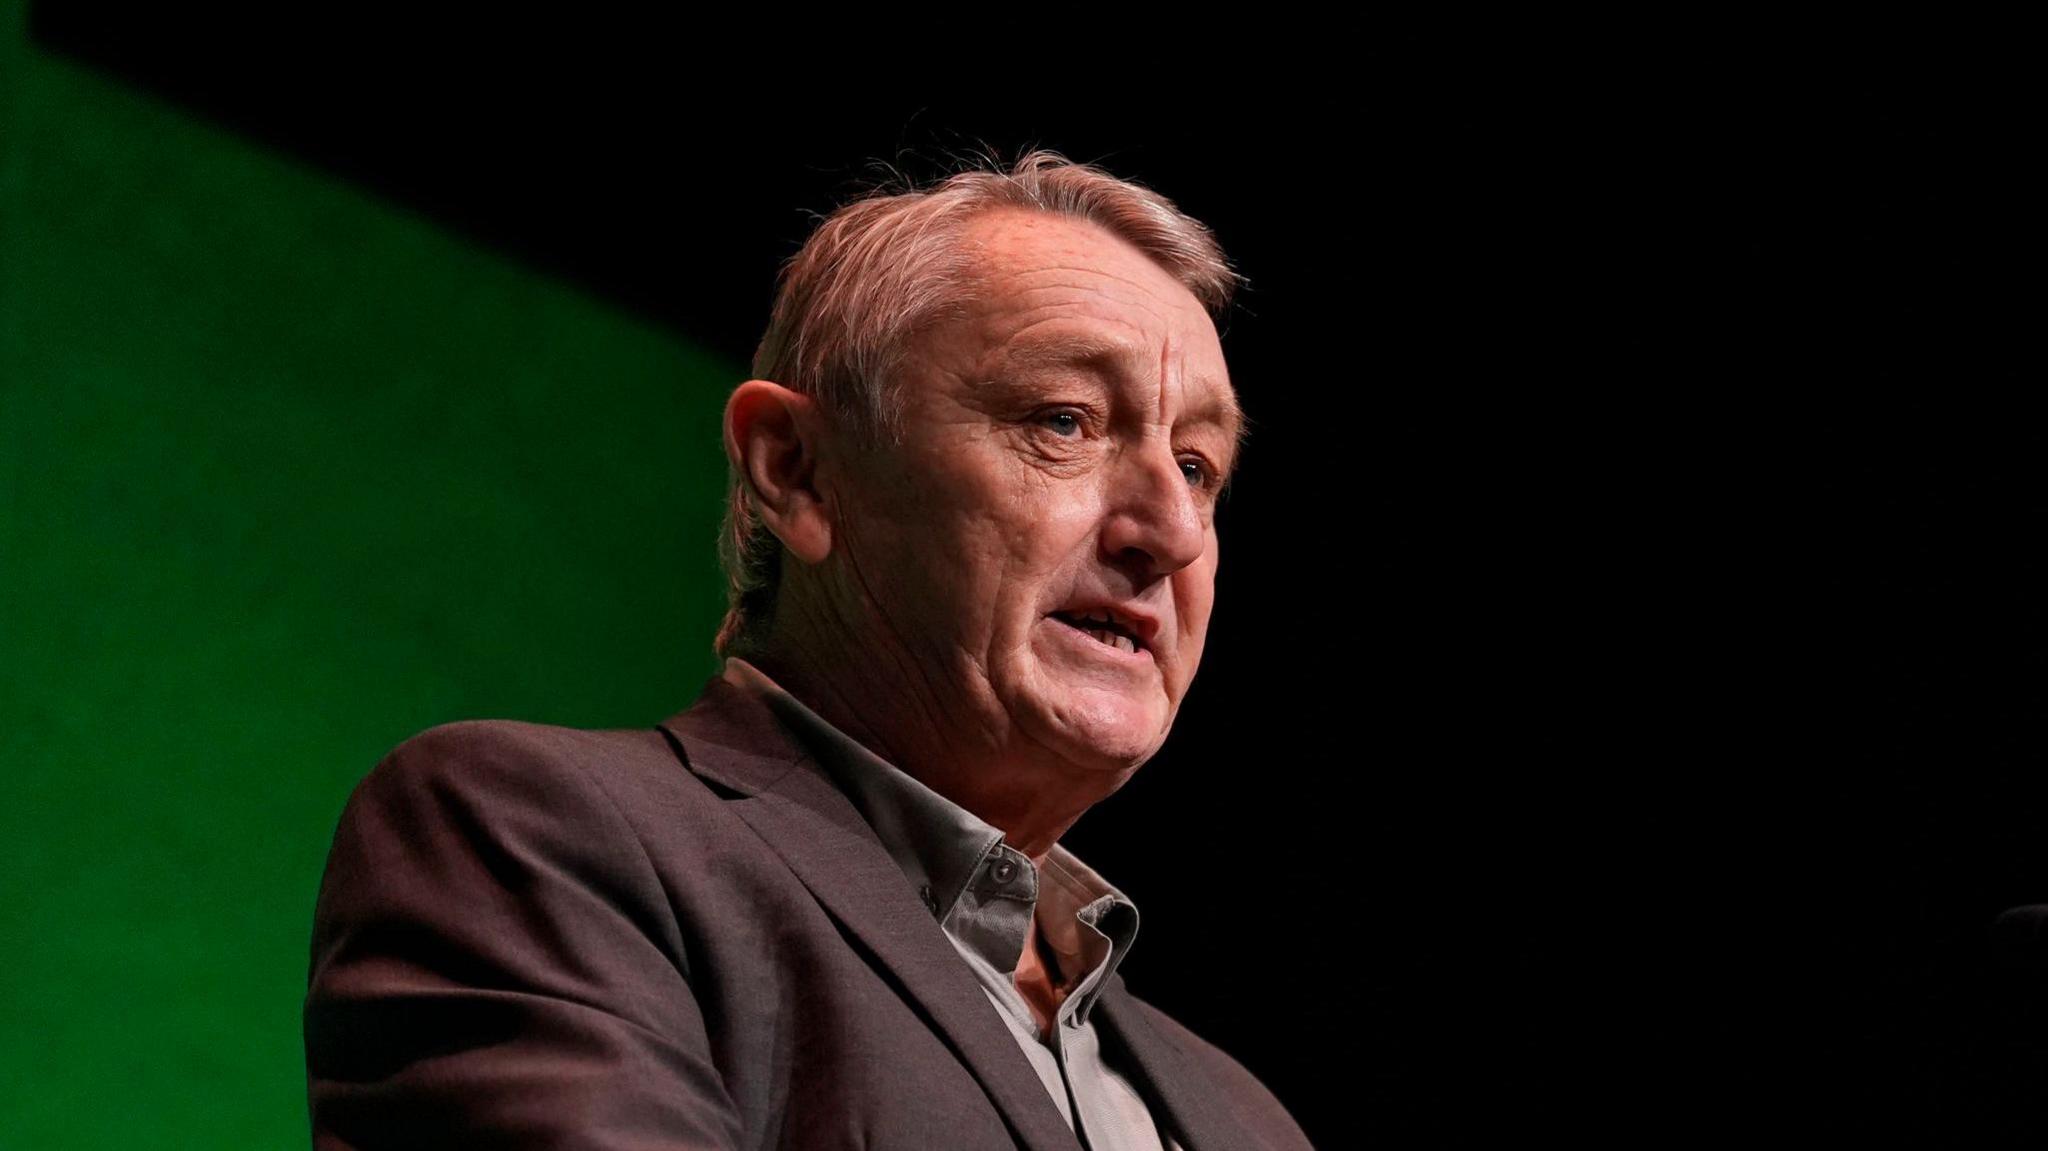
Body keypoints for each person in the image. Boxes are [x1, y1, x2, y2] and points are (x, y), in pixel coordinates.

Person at [303, 149, 1314, 1150]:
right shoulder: (536, 849)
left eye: (1197, 466)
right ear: (797, 470)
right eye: (1064, 421)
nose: (1170, 530)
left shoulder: (1247, 1118)